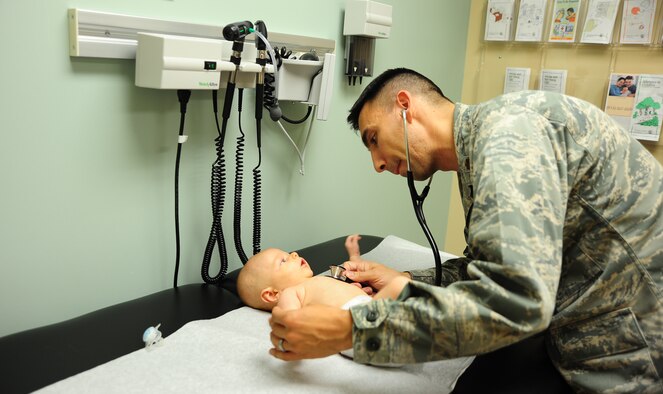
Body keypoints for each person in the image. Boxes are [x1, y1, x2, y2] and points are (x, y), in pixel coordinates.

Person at [268, 68, 663, 393]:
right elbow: (492, 267)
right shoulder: (481, 146)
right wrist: (407, 281)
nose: (376, 164)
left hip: (634, 346)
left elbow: (517, 300)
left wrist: (352, 330)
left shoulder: (508, 140)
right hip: (584, 328)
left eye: (373, 139)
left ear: (405, 106)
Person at [237, 233, 408, 313]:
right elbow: (290, 322)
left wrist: (354, 257)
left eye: (289, 253)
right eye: (283, 261)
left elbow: (353, 275)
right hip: (356, 326)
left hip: (373, 313)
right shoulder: (291, 293)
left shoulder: (320, 282)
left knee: (401, 287)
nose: (294, 254)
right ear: (272, 294)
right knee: (400, 285)